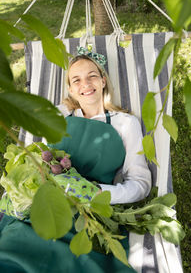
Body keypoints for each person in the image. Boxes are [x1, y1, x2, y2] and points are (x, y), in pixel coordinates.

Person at [0, 48, 151, 273]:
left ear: (103, 81)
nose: (85, 84)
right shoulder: (59, 115)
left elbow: (141, 184)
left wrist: (98, 193)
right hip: (46, 203)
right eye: (76, 80)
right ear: (70, 89)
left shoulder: (125, 123)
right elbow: (37, 157)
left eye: (92, 76)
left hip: (87, 213)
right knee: (12, 249)